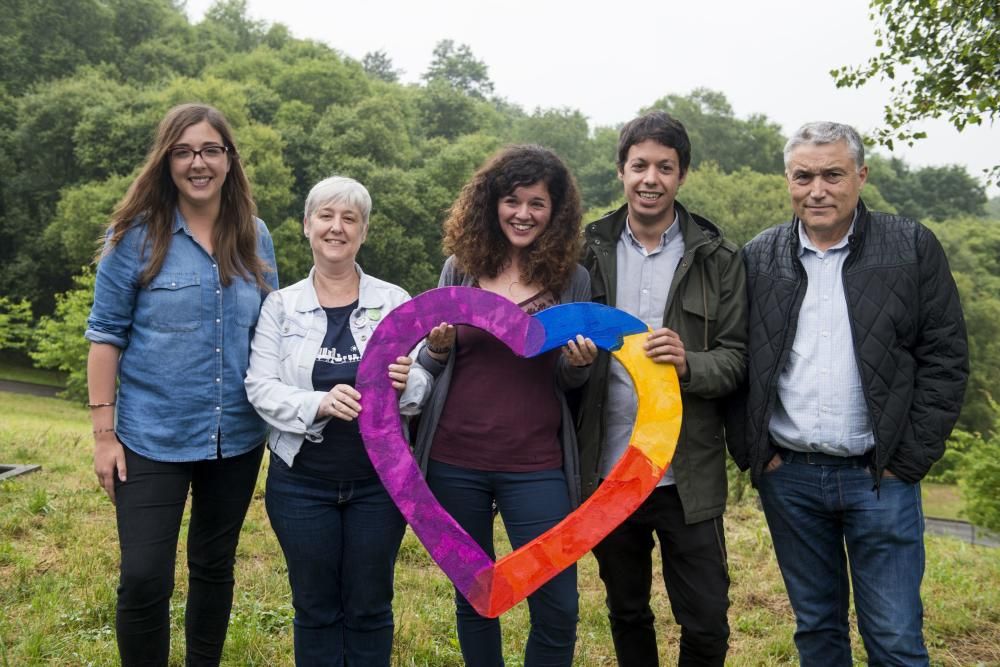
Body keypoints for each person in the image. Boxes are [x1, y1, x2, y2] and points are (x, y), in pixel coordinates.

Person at [732, 121, 969, 665]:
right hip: (788, 476)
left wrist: (907, 461)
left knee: (895, 638)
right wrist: (755, 454)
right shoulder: (757, 258)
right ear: (787, 180)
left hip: (878, 478)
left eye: (833, 175)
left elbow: (946, 359)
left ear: (860, 176)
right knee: (816, 631)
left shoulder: (910, 247)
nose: (817, 189)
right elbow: (739, 363)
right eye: (803, 176)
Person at [85, 102, 278, 665]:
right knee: (144, 575)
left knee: (213, 567)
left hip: (237, 437)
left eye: (211, 151)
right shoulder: (133, 235)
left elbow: (272, 328)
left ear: (229, 160)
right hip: (151, 436)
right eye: (185, 151)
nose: (199, 163)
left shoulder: (254, 235)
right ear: (166, 160)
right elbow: (105, 335)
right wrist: (104, 433)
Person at [412, 144, 597, 666]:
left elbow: (567, 377)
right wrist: (436, 348)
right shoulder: (460, 268)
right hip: (454, 459)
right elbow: (433, 358)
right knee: (475, 599)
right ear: (491, 203)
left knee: (557, 607)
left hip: (536, 464)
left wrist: (579, 364)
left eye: (537, 203)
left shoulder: (572, 279)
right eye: (513, 200)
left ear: (555, 212)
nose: (523, 213)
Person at [577, 111, 747, 666]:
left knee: (705, 621)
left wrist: (689, 363)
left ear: (682, 175)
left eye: (665, 167)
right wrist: (574, 359)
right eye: (640, 165)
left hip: (685, 474)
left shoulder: (718, 259)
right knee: (627, 613)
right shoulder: (586, 251)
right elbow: (560, 349)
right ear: (622, 171)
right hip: (611, 466)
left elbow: (738, 359)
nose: (651, 178)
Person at [244, 176, 431, 666]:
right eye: (326, 216)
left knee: (371, 607)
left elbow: (421, 391)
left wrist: (405, 382)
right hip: (302, 483)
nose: (336, 227)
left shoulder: (394, 301)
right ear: (307, 226)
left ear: (363, 232)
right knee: (314, 608)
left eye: (349, 219)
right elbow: (260, 388)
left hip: (380, 484)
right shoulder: (279, 306)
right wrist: (319, 403)